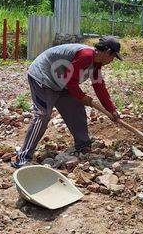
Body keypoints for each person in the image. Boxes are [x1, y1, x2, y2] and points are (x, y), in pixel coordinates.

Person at [11, 36, 122, 168]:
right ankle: (23, 157)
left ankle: (83, 146)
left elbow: (99, 87)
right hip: (43, 77)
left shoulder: (96, 64)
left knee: (76, 108)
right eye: (113, 57)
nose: (112, 60)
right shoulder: (86, 55)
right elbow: (69, 80)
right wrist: (82, 96)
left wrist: (111, 109)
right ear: (107, 52)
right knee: (42, 115)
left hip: (61, 82)